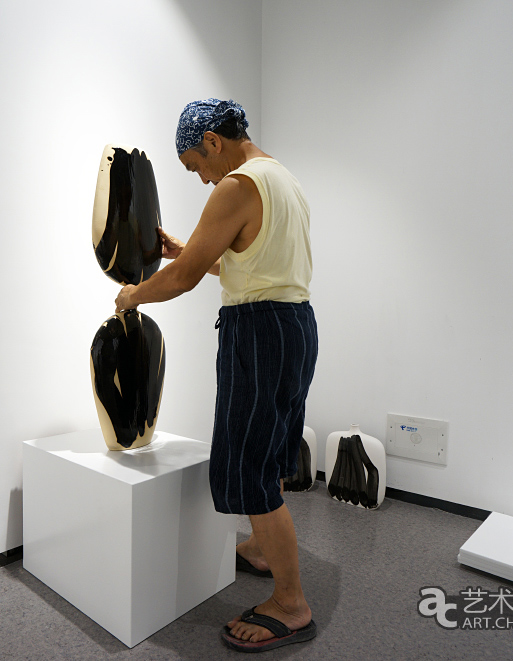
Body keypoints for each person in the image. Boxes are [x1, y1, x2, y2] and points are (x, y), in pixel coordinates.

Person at [114, 98, 318, 653]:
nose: (203, 178)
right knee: (271, 448)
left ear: (211, 141)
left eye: (195, 165)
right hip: (295, 325)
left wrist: (134, 295)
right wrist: (189, 250)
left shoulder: (236, 185)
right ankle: (259, 548)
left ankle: (291, 603)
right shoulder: (281, 178)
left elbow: (182, 278)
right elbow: (242, 261)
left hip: (259, 330)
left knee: (248, 462)